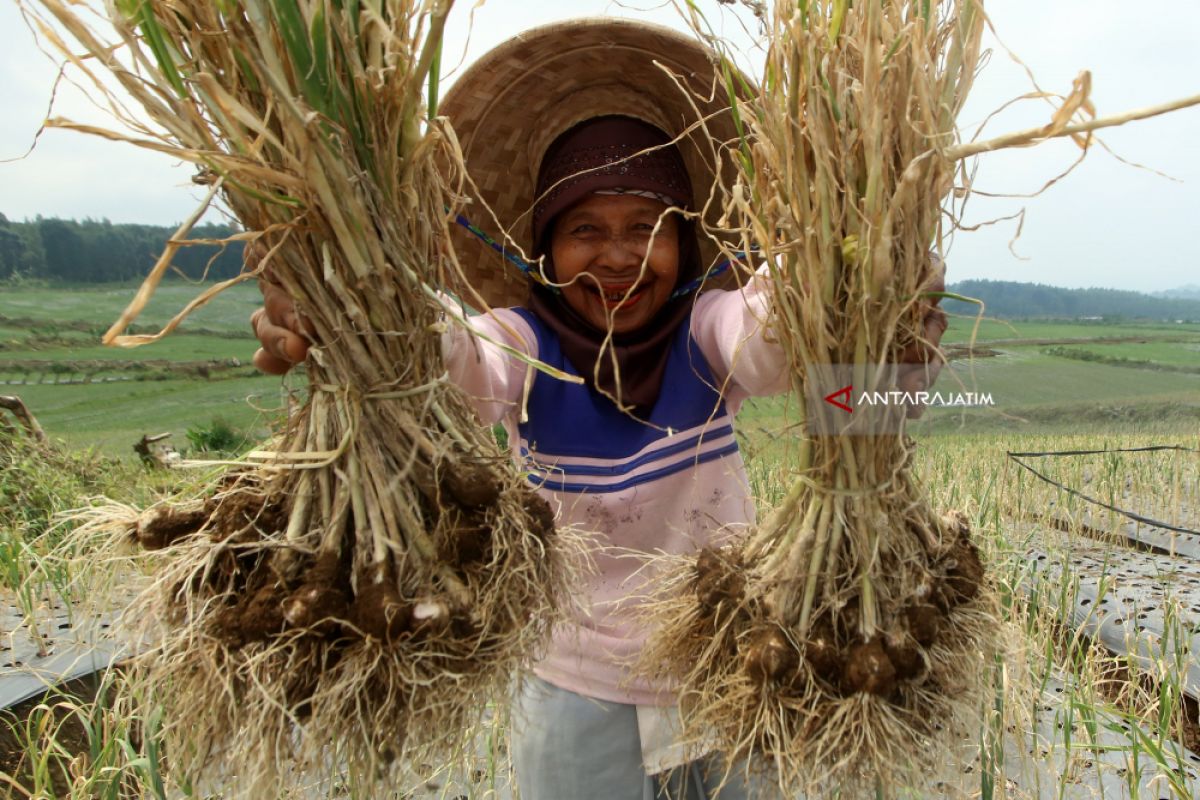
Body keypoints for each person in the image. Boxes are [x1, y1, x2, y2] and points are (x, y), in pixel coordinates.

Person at [249, 18, 947, 800]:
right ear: (543, 250)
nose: (618, 257)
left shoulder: (707, 331)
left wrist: (856, 274)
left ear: (685, 244)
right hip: (571, 682)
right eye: (586, 231)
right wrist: (347, 307)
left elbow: (775, 336)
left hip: (729, 662)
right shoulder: (523, 343)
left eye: (648, 229)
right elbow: (449, 359)